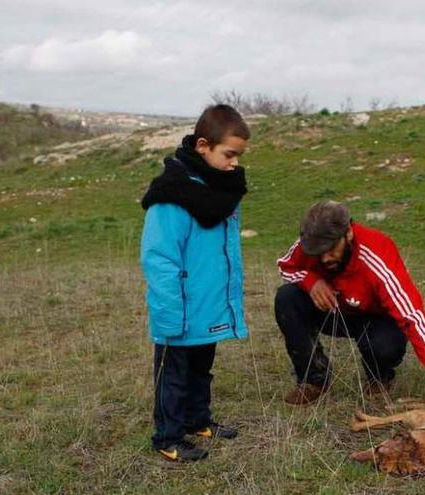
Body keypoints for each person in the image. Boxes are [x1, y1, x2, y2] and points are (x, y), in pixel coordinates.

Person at [275, 201, 425, 421]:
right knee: (287, 298)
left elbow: (415, 319)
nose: (324, 258)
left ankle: (379, 376)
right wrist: (311, 281)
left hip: (375, 320)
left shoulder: (377, 253)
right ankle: (313, 379)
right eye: (318, 253)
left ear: (349, 233)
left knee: (386, 345)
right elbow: (286, 266)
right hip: (333, 309)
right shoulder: (311, 244)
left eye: (330, 250)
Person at [140, 104, 250, 462]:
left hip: (207, 302)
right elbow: (160, 258)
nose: (234, 163)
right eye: (229, 154)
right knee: (173, 375)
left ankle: (197, 420)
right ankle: (167, 437)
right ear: (203, 145)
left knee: (202, 365)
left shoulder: (221, 191)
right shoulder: (171, 195)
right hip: (179, 306)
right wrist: (169, 314)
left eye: (239, 156)